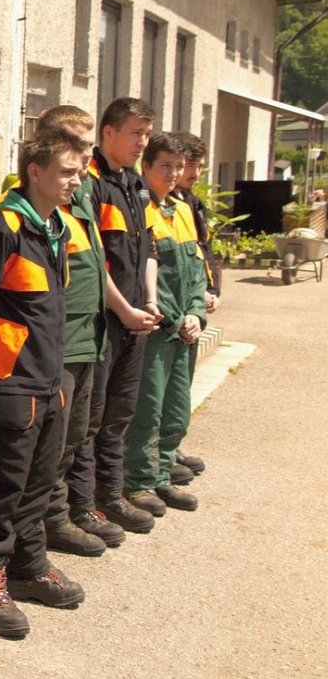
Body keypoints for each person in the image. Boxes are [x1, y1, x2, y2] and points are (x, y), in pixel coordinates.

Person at [0, 130, 88, 639]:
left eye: (79, 172)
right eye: (67, 172)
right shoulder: (5, 227)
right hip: (13, 381)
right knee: (3, 486)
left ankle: (28, 566)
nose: (76, 181)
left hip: (51, 376)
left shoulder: (56, 226)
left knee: (40, 482)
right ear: (35, 172)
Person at [33, 106, 126, 558]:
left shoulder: (81, 197)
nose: (89, 156)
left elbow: (96, 267)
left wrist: (125, 310)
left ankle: (69, 511)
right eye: (80, 146)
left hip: (90, 337)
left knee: (80, 433)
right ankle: (49, 522)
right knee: (52, 444)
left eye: (89, 148)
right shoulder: (35, 208)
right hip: (59, 345)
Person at [86, 97, 161, 533]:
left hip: (136, 318)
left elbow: (147, 248)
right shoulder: (91, 183)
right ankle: (84, 503)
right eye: (136, 133)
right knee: (92, 418)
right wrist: (125, 310)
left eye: (147, 134)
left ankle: (110, 495)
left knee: (119, 414)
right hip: (105, 322)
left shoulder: (135, 185)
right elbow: (93, 262)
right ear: (109, 132)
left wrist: (149, 302)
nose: (142, 142)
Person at [123, 133, 209, 514]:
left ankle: (162, 476)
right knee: (149, 410)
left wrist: (196, 313)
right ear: (146, 167)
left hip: (184, 329)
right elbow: (149, 274)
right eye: (165, 167)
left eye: (179, 166)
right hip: (159, 329)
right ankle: (139, 482)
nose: (173, 174)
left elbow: (195, 271)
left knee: (177, 409)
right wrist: (176, 317)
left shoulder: (183, 209)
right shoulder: (140, 210)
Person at [170, 131, 217, 484]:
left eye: (198, 167)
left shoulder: (193, 204)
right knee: (164, 391)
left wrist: (210, 290)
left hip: (193, 305)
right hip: (170, 312)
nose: (193, 173)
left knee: (181, 386)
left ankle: (170, 448)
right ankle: (159, 456)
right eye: (189, 166)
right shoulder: (159, 203)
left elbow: (203, 252)